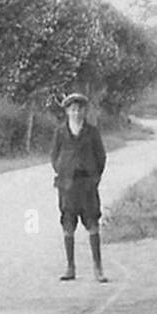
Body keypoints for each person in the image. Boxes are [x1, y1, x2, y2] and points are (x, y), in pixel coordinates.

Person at [50, 93, 107, 282]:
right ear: (67, 111)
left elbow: (101, 157)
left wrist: (94, 177)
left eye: (80, 109)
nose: (76, 113)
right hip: (67, 186)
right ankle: (70, 267)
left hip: (87, 185)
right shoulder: (60, 132)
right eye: (72, 109)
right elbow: (54, 156)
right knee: (67, 223)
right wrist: (62, 168)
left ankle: (98, 268)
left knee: (92, 222)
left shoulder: (92, 132)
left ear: (85, 111)